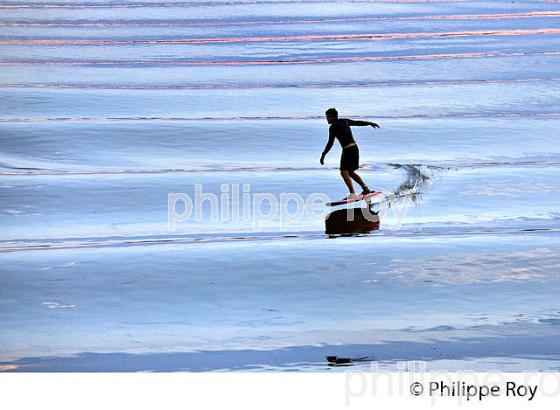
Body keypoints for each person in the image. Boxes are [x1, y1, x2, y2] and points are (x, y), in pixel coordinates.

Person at [320, 108, 380, 200]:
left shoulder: (332, 128)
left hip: (348, 150)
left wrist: (323, 155)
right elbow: (357, 123)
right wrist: (370, 123)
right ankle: (366, 189)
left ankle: (352, 194)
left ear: (334, 117)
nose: (327, 119)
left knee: (344, 172)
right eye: (326, 117)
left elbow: (330, 143)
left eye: (328, 117)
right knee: (351, 172)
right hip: (354, 148)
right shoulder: (344, 121)